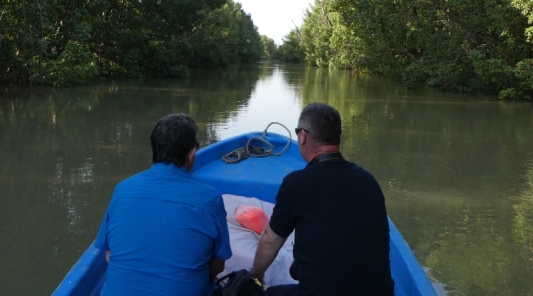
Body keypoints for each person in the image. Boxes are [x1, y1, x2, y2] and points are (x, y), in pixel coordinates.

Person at [250, 103, 395, 295]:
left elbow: (270, 241)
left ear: (303, 136)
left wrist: (254, 279)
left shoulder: (296, 184)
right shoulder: (368, 181)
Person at [93, 113, 232, 296]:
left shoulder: (123, 190)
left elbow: (109, 255)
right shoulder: (209, 199)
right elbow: (218, 265)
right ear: (191, 154)